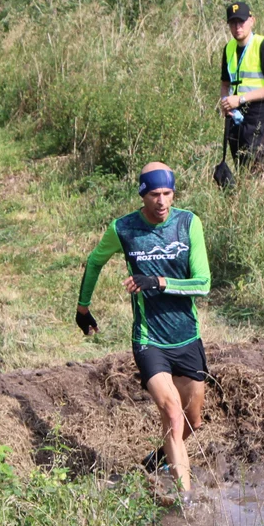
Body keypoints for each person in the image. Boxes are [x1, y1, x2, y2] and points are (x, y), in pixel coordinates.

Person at [75, 162, 211, 498]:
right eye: (154, 194)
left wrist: (159, 282)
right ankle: (187, 504)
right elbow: (95, 261)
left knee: (192, 421)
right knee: (173, 415)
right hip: (150, 340)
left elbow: (203, 284)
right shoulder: (124, 229)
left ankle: (158, 459)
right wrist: (83, 307)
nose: (161, 201)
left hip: (187, 338)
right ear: (142, 194)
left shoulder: (188, 223)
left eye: (167, 193)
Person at [218, 1, 264, 175]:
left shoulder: (263, 46)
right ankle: (243, 201)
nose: (237, 27)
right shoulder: (228, 49)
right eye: (233, 23)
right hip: (235, 114)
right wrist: (225, 102)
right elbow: (225, 83)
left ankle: (257, 200)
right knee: (242, 168)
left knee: (256, 169)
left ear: (251, 21)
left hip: (259, 113)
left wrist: (240, 99)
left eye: (241, 21)